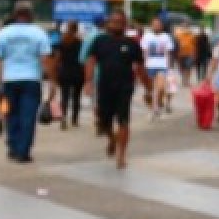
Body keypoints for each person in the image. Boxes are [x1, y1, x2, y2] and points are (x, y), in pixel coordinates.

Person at [84, 10, 152, 170]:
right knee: (102, 122)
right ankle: (112, 138)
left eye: (120, 22)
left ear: (125, 24)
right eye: (113, 21)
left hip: (124, 87)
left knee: (123, 120)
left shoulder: (132, 43)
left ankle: (121, 155)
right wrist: (88, 81)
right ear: (108, 23)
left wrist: (148, 88)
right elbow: (91, 60)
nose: (116, 24)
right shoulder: (99, 41)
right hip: (104, 86)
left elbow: (140, 67)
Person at [0, 1, 53, 163]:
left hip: (9, 79)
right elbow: (45, 60)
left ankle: (13, 146)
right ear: (31, 15)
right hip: (31, 79)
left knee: (11, 114)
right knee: (28, 116)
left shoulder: (3, 33)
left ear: (15, 15)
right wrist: (52, 81)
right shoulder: (39, 33)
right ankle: (23, 151)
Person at [140, 16, 176, 117]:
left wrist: (169, 67)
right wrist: (144, 65)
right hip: (150, 65)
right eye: (154, 24)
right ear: (151, 25)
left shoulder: (166, 36)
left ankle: (157, 105)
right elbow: (144, 51)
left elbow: (168, 53)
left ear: (162, 26)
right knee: (151, 90)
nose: (156, 26)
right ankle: (154, 108)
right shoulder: (147, 36)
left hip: (162, 65)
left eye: (158, 24)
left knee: (160, 88)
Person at [54, 20, 85, 129]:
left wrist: (56, 72)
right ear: (76, 29)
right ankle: (75, 120)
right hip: (77, 72)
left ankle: (63, 118)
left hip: (65, 72)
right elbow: (83, 59)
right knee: (76, 97)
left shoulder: (62, 42)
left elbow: (57, 59)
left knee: (64, 96)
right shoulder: (80, 43)